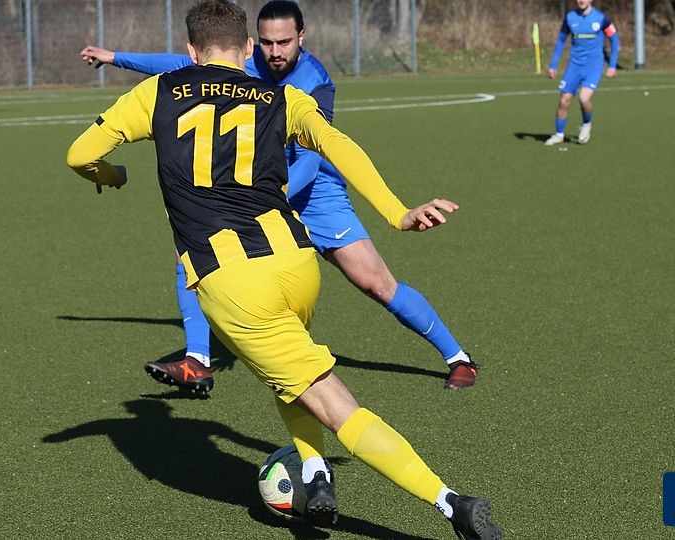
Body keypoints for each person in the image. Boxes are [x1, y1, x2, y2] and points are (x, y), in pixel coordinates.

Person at [66, 2, 502, 538]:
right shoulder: (282, 96)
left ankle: (451, 503)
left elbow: (79, 154)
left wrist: (110, 175)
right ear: (248, 49)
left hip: (233, 282)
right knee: (286, 372)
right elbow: (336, 144)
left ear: (190, 51)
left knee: (334, 404)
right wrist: (396, 212)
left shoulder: (157, 92)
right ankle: (315, 473)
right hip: (295, 262)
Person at [81, 0, 478, 395]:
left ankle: (458, 357)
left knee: (377, 283)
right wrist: (116, 57)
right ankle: (198, 360)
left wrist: (275, 198)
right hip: (256, 192)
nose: (275, 52)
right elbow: (178, 65)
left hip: (314, 193)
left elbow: (311, 157)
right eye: (268, 42)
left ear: (301, 37)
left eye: (284, 42)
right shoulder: (242, 62)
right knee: (190, 253)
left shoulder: (315, 81)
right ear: (252, 43)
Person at [544, 0, 619, 146]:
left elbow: (614, 40)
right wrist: (553, 65)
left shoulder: (601, 18)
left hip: (593, 66)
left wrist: (612, 65)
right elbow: (561, 41)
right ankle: (559, 135)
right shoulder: (570, 18)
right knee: (564, 101)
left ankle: (586, 124)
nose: (581, 0)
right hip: (574, 66)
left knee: (584, 98)